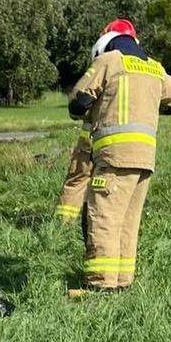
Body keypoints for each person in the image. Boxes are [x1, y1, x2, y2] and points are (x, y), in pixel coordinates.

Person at [66, 21, 171, 295]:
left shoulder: (109, 61)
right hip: (145, 159)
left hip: (114, 157)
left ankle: (100, 286)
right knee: (128, 222)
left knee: (104, 218)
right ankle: (122, 281)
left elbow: (78, 102)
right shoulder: (154, 67)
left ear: (105, 45)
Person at [55, 19, 135, 223]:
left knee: (78, 177)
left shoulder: (105, 62)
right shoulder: (137, 68)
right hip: (123, 142)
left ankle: (64, 222)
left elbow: (79, 102)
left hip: (93, 134)